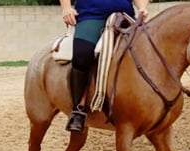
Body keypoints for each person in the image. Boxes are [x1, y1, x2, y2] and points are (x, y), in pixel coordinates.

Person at [59, 0, 149, 132]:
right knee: (82, 55)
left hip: (125, 16)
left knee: (148, 51)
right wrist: (66, 8)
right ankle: (78, 108)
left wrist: (142, 7)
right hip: (92, 16)